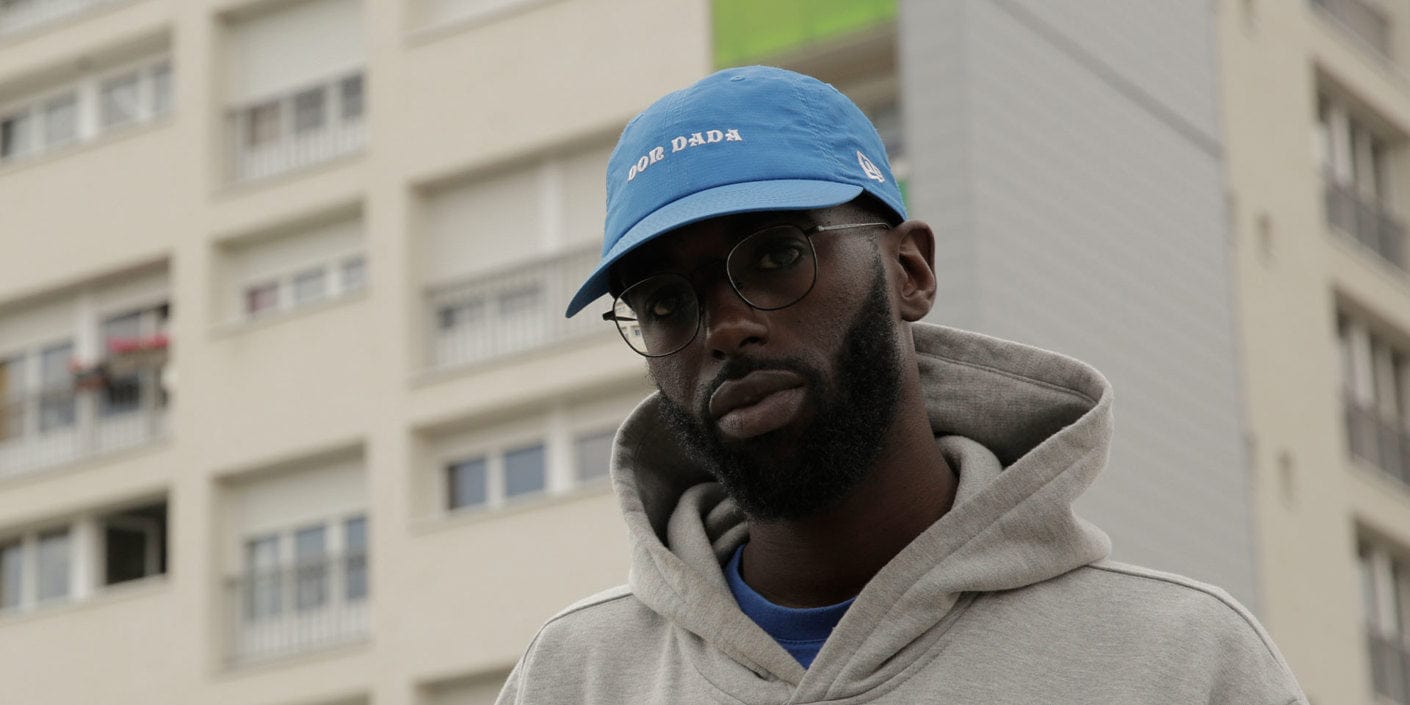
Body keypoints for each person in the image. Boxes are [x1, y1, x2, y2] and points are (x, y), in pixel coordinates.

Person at [495, 66, 1307, 704]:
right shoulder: (575, 679)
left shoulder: (1179, 661)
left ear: (910, 271)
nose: (724, 328)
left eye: (776, 255)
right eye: (665, 302)